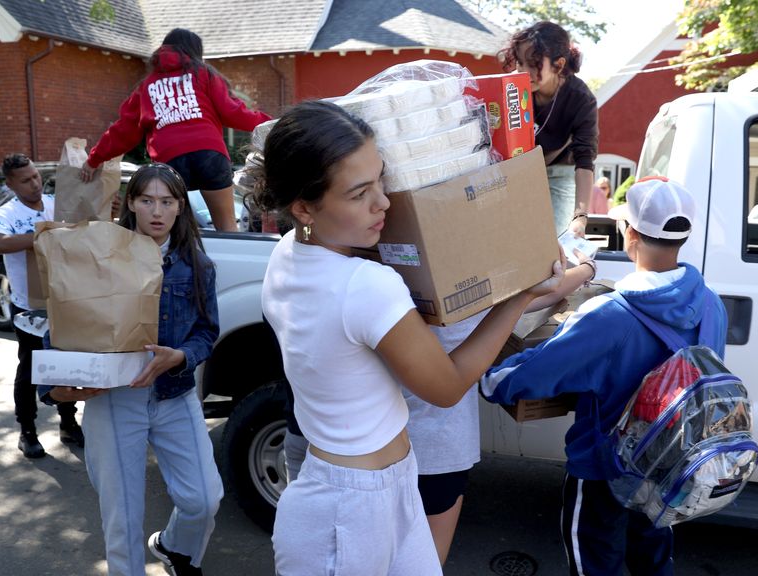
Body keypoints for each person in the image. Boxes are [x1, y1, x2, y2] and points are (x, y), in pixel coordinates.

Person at [251, 100, 594, 575]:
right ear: (304, 205)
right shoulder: (365, 284)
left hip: (357, 488)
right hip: (350, 511)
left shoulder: (287, 254)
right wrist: (517, 298)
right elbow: (448, 386)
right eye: (359, 193)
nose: (384, 202)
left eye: (381, 180)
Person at [480, 176, 727, 576]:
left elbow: (530, 376)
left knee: (595, 564)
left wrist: (489, 378)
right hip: (668, 466)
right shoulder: (711, 305)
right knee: (651, 561)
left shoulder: (611, 315)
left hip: (605, 471)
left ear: (630, 233)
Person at [38, 164, 223, 576]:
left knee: (204, 500)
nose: (157, 211)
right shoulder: (99, 255)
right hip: (115, 399)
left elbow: (207, 332)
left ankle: (175, 548)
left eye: (167, 201)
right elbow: (66, 321)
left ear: (180, 208)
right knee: (121, 519)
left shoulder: (197, 266)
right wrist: (55, 389)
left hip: (174, 395)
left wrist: (180, 356)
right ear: (131, 204)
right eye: (146, 200)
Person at [81, 28, 271, 232]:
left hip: (170, 159)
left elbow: (124, 130)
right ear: (195, 52)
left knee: (172, 230)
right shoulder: (203, 74)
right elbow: (233, 111)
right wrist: (271, 124)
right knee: (226, 226)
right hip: (210, 153)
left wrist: (94, 159)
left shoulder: (147, 85)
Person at [0, 153, 82, 459]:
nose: (35, 184)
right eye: (26, 180)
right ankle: (27, 431)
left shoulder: (55, 203)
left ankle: (68, 423)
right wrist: (39, 236)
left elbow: (84, 224)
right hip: (27, 307)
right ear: (11, 184)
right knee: (30, 367)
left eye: (36, 177)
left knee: (65, 364)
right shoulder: (8, 213)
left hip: (63, 299)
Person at [501, 21, 598, 239]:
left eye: (533, 64)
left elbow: (584, 160)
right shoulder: (511, 90)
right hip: (518, 170)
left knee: (552, 240)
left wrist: (580, 217)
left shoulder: (581, 99)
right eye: (519, 63)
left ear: (559, 64)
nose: (523, 72)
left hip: (559, 171)